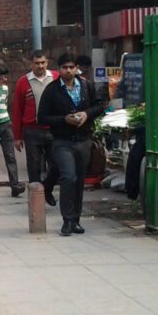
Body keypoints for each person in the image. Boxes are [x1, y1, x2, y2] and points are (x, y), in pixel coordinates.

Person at [37, 53, 107, 237]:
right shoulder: (52, 90)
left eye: (71, 67)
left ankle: (76, 219)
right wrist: (64, 119)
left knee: (79, 181)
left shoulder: (87, 86)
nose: (68, 71)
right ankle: (67, 220)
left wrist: (86, 114)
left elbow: (100, 106)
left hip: (84, 140)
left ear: (76, 68)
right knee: (68, 177)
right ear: (59, 69)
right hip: (62, 141)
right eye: (64, 67)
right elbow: (42, 117)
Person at [11, 50, 59, 204]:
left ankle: (47, 189)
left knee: (57, 164)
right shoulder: (23, 82)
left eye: (43, 62)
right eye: (37, 63)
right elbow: (17, 110)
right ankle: (35, 201)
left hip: (54, 129)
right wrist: (17, 136)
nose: (40, 66)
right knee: (34, 168)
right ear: (31, 64)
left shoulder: (56, 78)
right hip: (32, 130)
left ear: (47, 63)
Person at [0, 66, 24, 196]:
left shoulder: (5, 89)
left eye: (5, 77)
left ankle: (15, 185)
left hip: (5, 124)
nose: (4, 80)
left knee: (10, 156)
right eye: (1, 77)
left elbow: (3, 104)